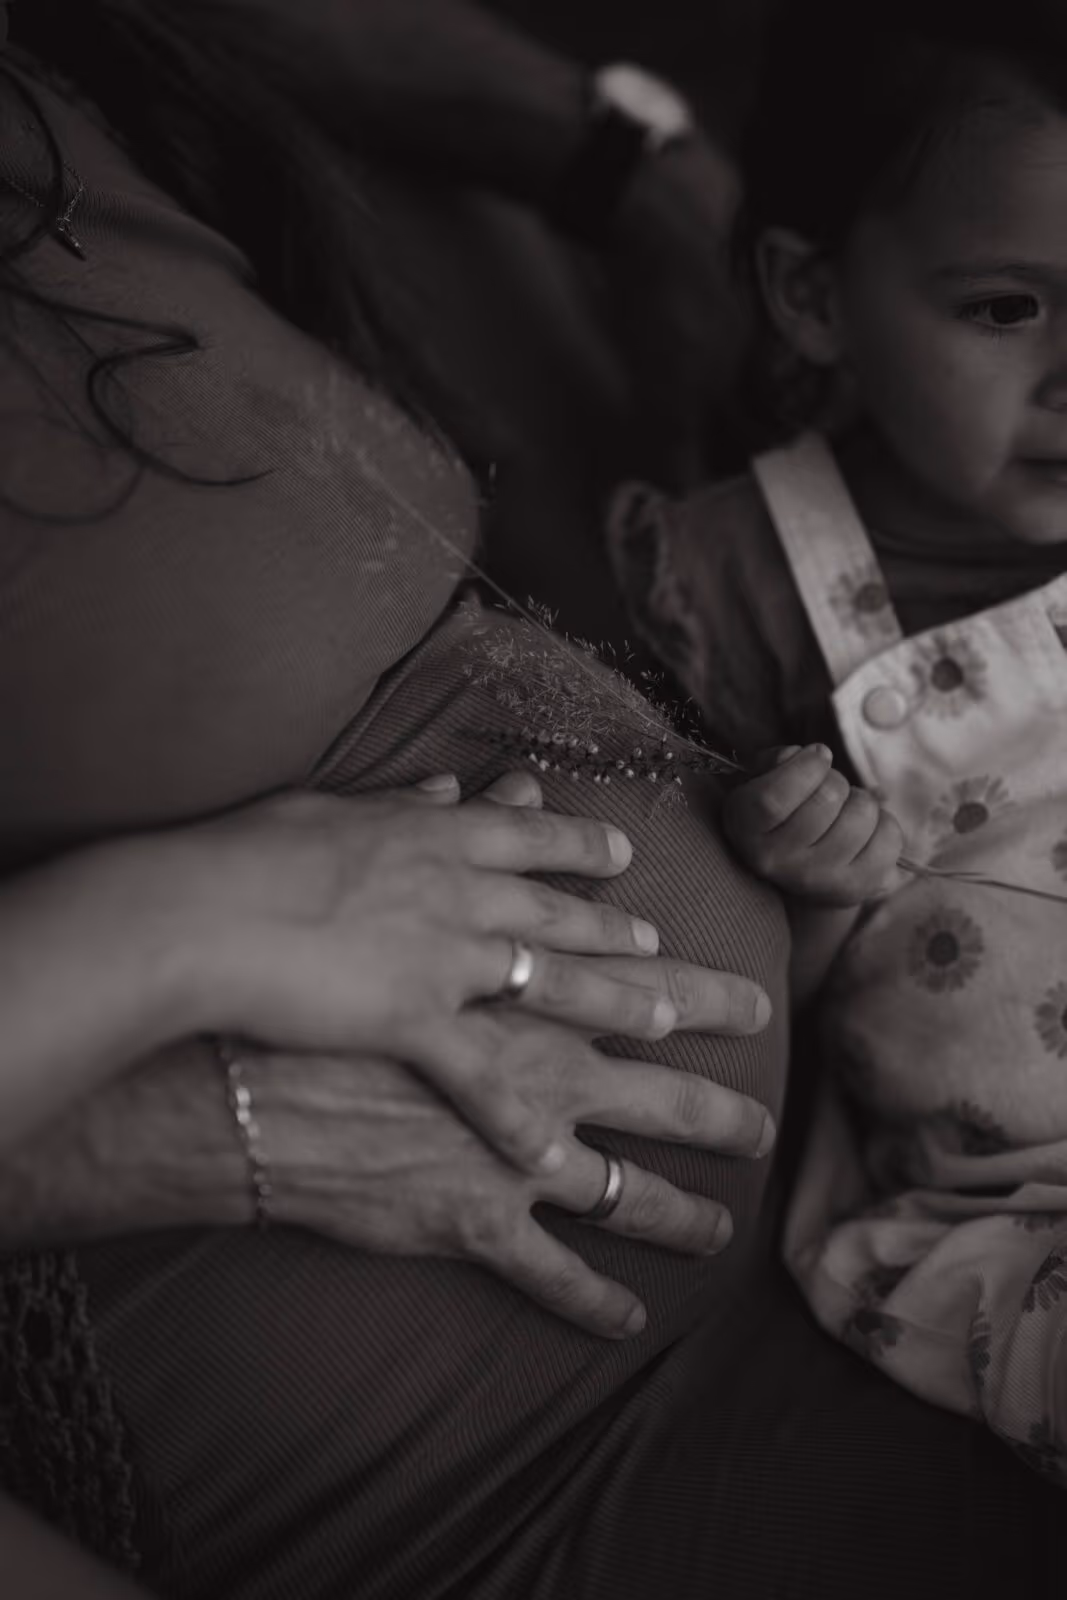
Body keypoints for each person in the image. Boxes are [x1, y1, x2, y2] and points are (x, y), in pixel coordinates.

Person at [0, 5, 1057, 1599]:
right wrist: (165, 1011)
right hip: (500, 1496)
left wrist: (612, 156)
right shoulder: (752, 567)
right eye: (1005, 305)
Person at [608, 0, 1067, 1485]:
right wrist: (802, 886)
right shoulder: (733, 589)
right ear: (812, 297)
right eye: (1009, 307)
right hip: (1009, 1212)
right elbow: (735, 1006)